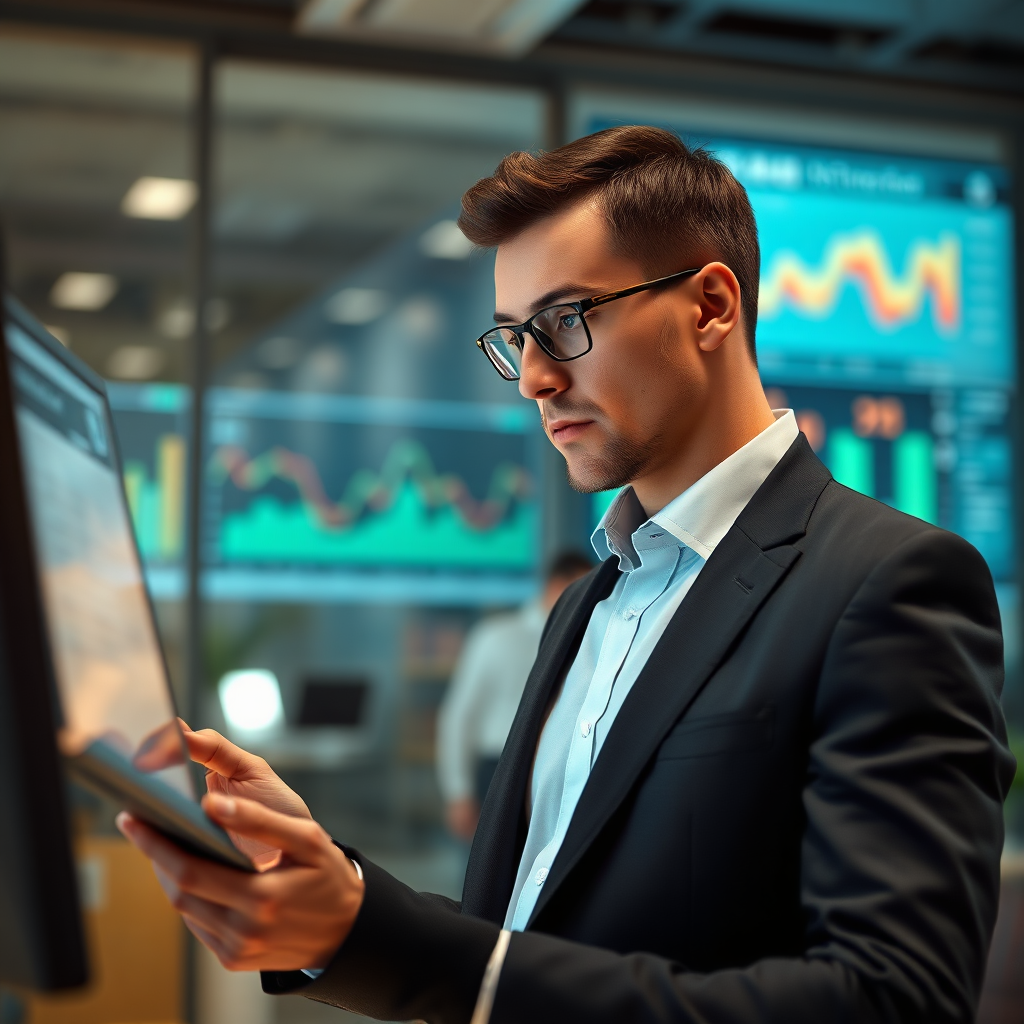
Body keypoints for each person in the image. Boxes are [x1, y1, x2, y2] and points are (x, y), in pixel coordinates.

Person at [119, 127, 1016, 1024]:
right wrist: (339, 902)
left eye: (565, 321)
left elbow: (895, 1002)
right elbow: (526, 932)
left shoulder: (890, 583)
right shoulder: (590, 602)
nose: (534, 378)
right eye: (515, 337)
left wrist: (404, 947)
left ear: (709, 305)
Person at [438, 551, 593, 841]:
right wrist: (457, 791)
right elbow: (460, 716)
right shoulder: (495, 636)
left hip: (557, 769)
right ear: (556, 585)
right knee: (485, 873)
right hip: (497, 769)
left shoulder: (587, 641)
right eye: (582, 586)